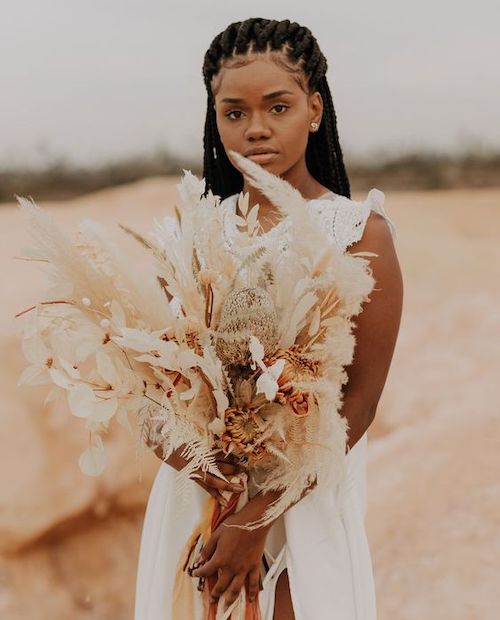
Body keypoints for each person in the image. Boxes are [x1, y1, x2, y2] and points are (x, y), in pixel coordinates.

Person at [134, 17, 403, 620]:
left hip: (302, 504)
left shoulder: (360, 234)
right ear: (215, 118)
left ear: (313, 109)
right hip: (197, 499)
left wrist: (256, 517)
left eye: (277, 107)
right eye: (234, 113)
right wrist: (222, 493)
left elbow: (356, 404)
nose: (256, 128)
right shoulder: (192, 233)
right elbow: (155, 393)